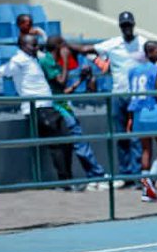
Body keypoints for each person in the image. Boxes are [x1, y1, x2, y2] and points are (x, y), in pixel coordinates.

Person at [70, 12, 147, 188]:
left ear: (133, 25)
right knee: (120, 135)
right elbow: (86, 50)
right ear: (120, 27)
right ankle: (126, 174)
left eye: (129, 25)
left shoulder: (143, 43)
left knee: (136, 136)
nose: (127, 28)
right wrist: (64, 45)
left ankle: (137, 175)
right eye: (124, 25)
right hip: (118, 95)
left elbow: (154, 61)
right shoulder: (113, 44)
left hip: (137, 95)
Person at [0, 34, 72, 189]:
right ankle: (65, 182)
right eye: (33, 45)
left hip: (48, 106)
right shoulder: (19, 60)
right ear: (22, 45)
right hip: (38, 109)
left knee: (67, 139)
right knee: (58, 144)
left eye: (36, 45)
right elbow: (5, 70)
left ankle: (68, 180)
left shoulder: (33, 57)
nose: (36, 48)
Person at [40, 35, 107, 190]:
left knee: (78, 140)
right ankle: (97, 175)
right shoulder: (47, 61)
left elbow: (64, 90)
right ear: (57, 47)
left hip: (63, 103)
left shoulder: (53, 60)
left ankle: (94, 175)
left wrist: (80, 80)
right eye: (63, 46)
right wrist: (64, 59)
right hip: (56, 107)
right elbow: (61, 81)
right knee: (79, 140)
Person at [126, 41, 157, 203]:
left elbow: (133, 95)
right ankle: (150, 186)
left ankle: (146, 190)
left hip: (139, 113)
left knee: (145, 150)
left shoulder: (133, 71)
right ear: (149, 53)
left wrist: (131, 118)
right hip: (153, 111)